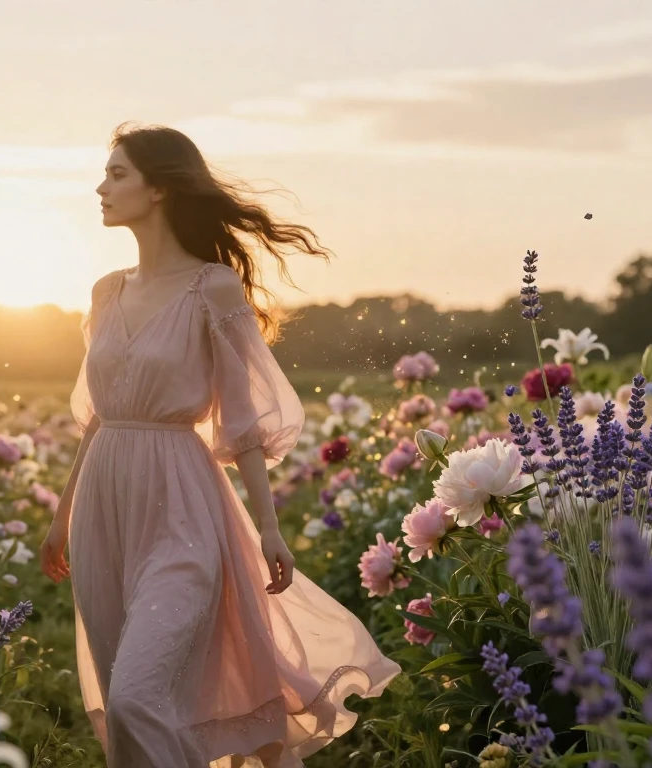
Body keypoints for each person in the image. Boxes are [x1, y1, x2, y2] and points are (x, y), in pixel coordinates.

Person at [38, 122, 399, 768]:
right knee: (133, 715)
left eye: (117, 173)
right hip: (102, 510)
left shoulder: (213, 289)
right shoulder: (104, 292)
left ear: (159, 189)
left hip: (182, 508)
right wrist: (63, 514)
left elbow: (242, 423)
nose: (101, 186)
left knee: (135, 698)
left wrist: (269, 528)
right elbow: (100, 415)